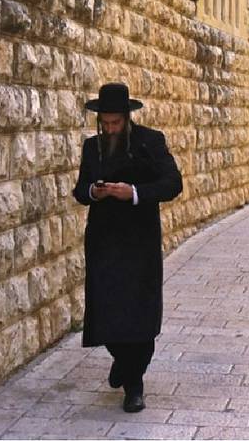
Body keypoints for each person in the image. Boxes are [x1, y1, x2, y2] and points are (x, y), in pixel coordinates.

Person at [72, 83, 183, 412]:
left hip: (139, 242)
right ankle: (122, 361)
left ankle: (134, 384)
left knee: (139, 313)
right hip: (104, 241)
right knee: (106, 310)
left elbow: (172, 184)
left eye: (115, 123)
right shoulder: (92, 148)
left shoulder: (151, 141)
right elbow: (80, 190)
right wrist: (94, 191)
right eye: (105, 123)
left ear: (127, 118)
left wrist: (133, 193)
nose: (110, 129)